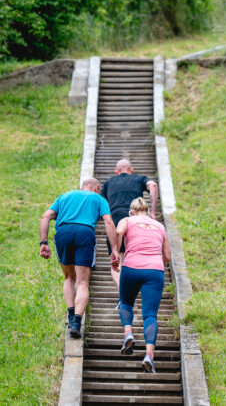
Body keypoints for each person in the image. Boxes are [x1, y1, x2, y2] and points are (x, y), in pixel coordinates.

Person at [40, 178, 119, 338]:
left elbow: (45, 217)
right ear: (97, 188)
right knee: (82, 281)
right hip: (85, 233)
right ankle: (76, 321)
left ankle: (70, 315)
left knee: (69, 277)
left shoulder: (64, 196)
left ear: (82, 187)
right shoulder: (99, 199)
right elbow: (109, 222)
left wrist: (44, 242)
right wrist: (114, 249)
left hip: (63, 232)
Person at [112, 197, 171, 373]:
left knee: (126, 302)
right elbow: (167, 256)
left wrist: (116, 252)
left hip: (131, 267)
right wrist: (152, 262)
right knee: (150, 315)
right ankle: (149, 355)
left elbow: (118, 231)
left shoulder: (127, 220)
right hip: (155, 271)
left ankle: (128, 333)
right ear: (147, 212)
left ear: (132, 211)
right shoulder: (160, 226)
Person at [101, 159, 159, 294]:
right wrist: (153, 213)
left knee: (117, 259)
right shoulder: (139, 178)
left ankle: (122, 293)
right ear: (131, 169)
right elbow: (154, 186)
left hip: (115, 218)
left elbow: (101, 202)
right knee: (137, 254)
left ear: (116, 171)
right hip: (135, 219)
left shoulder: (109, 182)